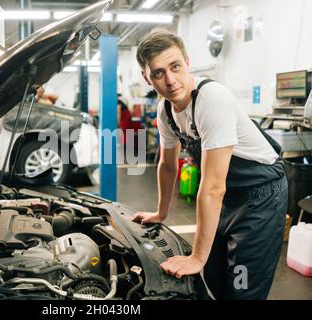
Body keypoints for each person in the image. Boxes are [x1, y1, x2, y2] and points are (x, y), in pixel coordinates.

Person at [131, 28, 287, 300]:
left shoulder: (211, 99)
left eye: (175, 67)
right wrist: (160, 213)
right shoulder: (166, 110)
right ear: (146, 77)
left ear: (187, 62)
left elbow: (212, 187)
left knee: (241, 288)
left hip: (260, 198)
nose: (171, 80)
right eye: (158, 73)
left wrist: (196, 257)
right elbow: (168, 165)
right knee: (215, 278)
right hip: (227, 197)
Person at [117, 96, 143, 161]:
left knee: (124, 132)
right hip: (125, 117)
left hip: (125, 117)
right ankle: (127, 153)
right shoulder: (118, 102)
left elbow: (118, 113)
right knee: (124, 133)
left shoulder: (117, 102)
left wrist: (118, 123)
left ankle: (127, 153)